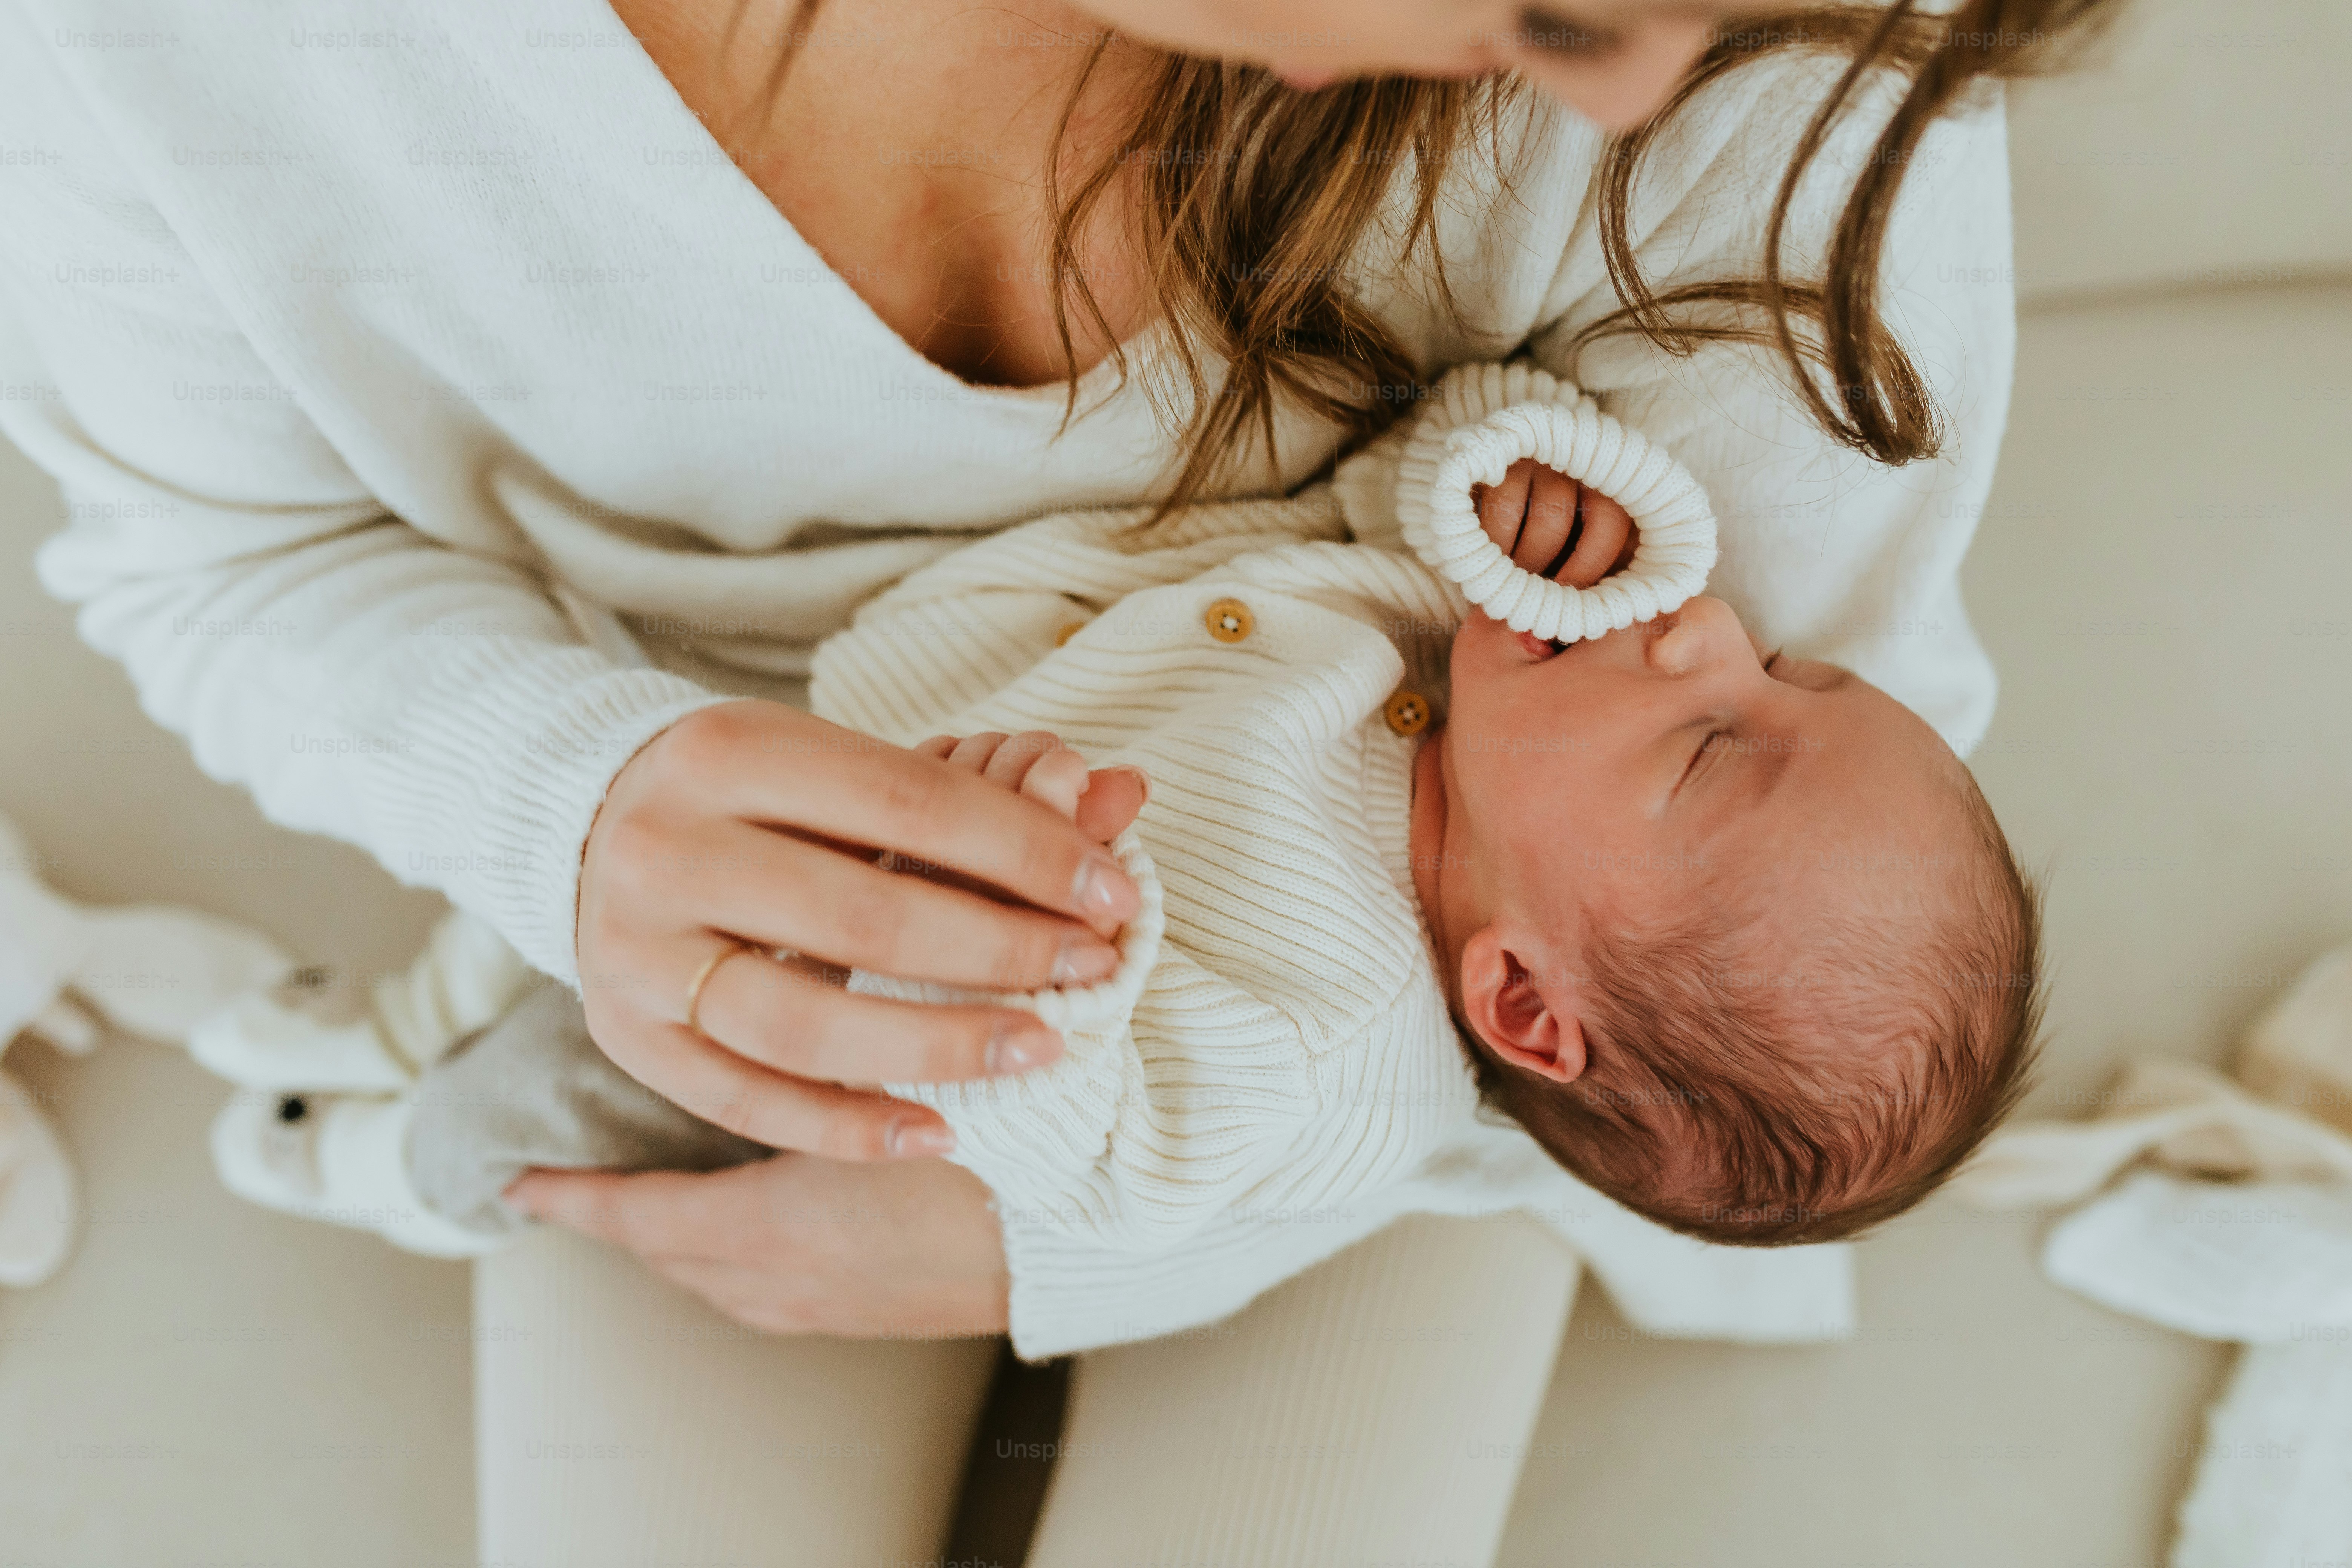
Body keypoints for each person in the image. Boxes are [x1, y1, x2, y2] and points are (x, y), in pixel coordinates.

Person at [0, 0, 2113, 1559]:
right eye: (1556, 17)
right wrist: (571, 804)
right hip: (779, 904)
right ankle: (366, 1140)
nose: (1625, 95)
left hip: (1468, 1133)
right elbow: (225, 560)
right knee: (594, 1225)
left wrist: (1098, 1254)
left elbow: (1769, 903)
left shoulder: (1780, 46)